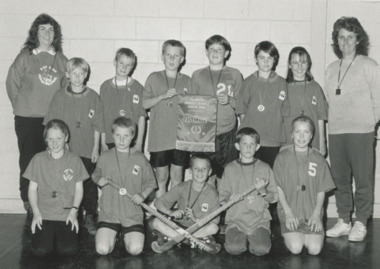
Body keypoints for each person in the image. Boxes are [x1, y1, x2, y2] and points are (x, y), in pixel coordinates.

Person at [324, 17, 380, 242]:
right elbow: (330, 100)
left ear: (358, 39)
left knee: (363, 180)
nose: (345, 42)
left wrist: (369, 124)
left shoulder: (369, 65)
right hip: (336, 132)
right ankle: (344, 220)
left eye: (350, 37)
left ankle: (361, 221)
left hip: (361, 133)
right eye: (341, 37)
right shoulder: (330, 69)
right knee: (340, 180)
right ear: (336, 41)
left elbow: (379, 100)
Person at [6, 13, 68, 214]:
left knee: (53, 159)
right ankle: (27, 200)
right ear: (35, 32)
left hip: (52, 120)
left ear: (55, 34)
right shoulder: (25, 57)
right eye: (43, 29)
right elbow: (12, 83)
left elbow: (66, 88)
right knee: (29, 159)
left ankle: (50, 199)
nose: (47, 33)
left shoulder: (60, 59)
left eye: (51, 30)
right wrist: (23, 105)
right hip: (28, 118)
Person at [44, 57, 103, 235]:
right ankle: (66, 215)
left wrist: (95, 149)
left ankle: (91, 215)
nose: (77, 77)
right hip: (66, 150)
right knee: (66, 183)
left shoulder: (93, 96)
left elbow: (98, 126)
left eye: (81, 74)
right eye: (74, 74)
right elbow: (51, 124)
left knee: (89, 184)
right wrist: (53, 146)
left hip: (87, 149)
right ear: (68, 74)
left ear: (86, 75)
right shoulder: (59, 96)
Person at [92, 117, 157, 256]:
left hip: (132, 214)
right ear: (112, 135)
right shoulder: (105, 156)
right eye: (118, 135)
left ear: (132, 137)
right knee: (102, 250)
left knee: (135, 250)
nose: (121, 140)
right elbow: (95, 173)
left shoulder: (140, 158)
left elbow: (151, 182)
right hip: (109, 213)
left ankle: (125, 235)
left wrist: (143, 195)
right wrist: (99, 179)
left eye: (126, 136)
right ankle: (113, 236)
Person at [24, 119, 88, 256]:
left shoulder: (75, 160)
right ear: (45, 140)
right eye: (50, 139)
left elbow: (79, 189)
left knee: (69, 250)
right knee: (40, 251)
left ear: (66, 137)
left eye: (59, 138)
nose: (55, 143)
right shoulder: (38, 159)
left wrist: (73, 212)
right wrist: (35, 213)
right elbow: (32, 189)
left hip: (66, 214)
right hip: (44, 214)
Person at [274, 116, 335, 255]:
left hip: (311, 212)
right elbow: (279, 188)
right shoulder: (282, 158)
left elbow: (321, 190)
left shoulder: (319, 159)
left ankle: (306, 232)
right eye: (297, 131)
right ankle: (290, 232)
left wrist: (316, 215)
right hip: (290, 212)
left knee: (314, 250)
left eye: (306, 132)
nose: (301, 136)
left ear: (312, 135)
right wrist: (288, 214)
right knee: (296, 248)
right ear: (292, 134)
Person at [190, 35, 243, 187]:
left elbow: (242, 105)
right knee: (205, 176)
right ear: (206, 52)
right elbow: (191, 108)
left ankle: (224, 209)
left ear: (226, 53)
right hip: (204, 132)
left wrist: (230, 100)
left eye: (219, 49)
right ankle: (208, 208)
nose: (215, 52)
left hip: (227, 132)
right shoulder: (198, 75)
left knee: (226, 175)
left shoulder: (235, 74)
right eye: (211, 49)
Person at [219, 127, 278, 256]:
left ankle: (259, 235)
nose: (248, 147)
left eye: (252, 144)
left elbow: (274, 198)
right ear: (237, 146)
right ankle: (237, 235)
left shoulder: (265, 168)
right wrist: (230, 199)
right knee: (234, 249)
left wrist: (263, 192)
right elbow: (222, 199)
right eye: (244, 144)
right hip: (236, 220)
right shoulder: (229, 169)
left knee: (261, 250)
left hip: (259, 220)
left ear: (257, 147)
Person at [143, 40, 190, 198]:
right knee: (161, 179)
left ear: (182, 59)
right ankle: (161, 214)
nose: (172, 59)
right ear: (162, 57)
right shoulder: (154, 78)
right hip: (160, 138)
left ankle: (174, 213)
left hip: (180, 139)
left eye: (176, 56)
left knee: (177, 178)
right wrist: (162, 96)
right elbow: (144, 103)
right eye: (168, 55)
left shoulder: (187, 81)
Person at [237, 41, 289, 168]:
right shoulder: (248, 82)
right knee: (250, 173)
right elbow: (241, 110)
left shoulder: (282, 83)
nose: (266, 62)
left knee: (270, 175)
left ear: (275, 60)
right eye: (262, 58)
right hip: (252, 141)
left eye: (269, 58)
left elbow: (285, 112)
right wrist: (247, 135)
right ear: (256, 59)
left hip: (273, 139)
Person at [152, 153, 220, 249]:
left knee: (214, 228)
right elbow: (158, 202)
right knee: (156, 222)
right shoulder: (182, 187)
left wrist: (196, 220)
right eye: (196, 168)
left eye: (204, 169)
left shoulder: (213, 193)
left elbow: (216, 220)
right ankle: (191, 240)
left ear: (209, 172)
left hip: (198, 229)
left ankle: (176, 238)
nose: (200, 172)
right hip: (178, 227)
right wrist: (170, 212)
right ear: (190, 171)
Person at [100, 48, 146, 151]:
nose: (124, 67)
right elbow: (101, 117)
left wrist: (139, 143)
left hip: (130, 140)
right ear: (114, 62)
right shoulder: (105, 87)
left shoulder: (137, 87)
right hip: (110, 140)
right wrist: (103, 143)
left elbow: (141, 117)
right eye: (121, 63)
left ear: (133, 67)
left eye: (128, 65)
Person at [283, 47, 328, 154]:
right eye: (295, 63)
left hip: (312, 142)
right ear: (289, 65)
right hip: (288, 142)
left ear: (308, 64)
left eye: (303, 62)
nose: (299, 66)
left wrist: (322, 142)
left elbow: (321, 118)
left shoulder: (316, 87)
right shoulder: (283, 87)